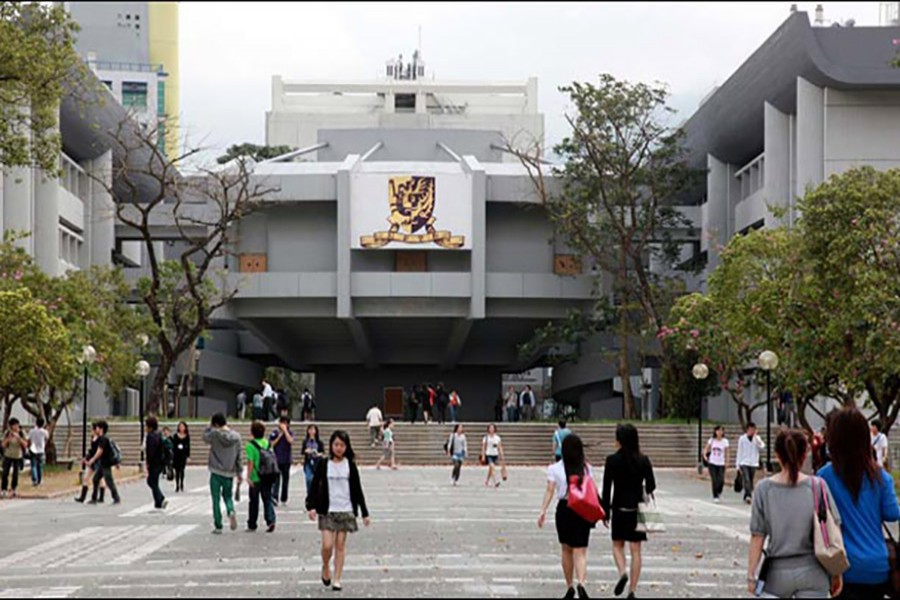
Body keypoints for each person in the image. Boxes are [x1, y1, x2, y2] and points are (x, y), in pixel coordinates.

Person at [748, 429, 843, 598]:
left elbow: (757, 536)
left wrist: (751, 574)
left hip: (776, 574)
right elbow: (833, 529)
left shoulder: (763, 489)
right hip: (814, 571)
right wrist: (836, 571)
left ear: (777, 455)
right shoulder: (818, 486)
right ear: (805, 454)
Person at [818, 408, 900, 599]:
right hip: (877, 566)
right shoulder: (881, 477)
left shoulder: (824, 477)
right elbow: (892, 513)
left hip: (841, 566)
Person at [307, 430, 371, 593]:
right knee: (327, 545)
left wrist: (364, 512)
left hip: (345, 509)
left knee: (340, 545)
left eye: (342, 445)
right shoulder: (324, 464)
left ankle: (337, 578)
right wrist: (310, 506)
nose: (339, 448)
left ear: (347, 447)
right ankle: (325, 566)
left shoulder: (350, 465)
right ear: (331, 445)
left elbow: (357, 489)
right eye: (336, 444)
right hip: (327, 509)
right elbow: (314, 485)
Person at [539, 434, 597, 599]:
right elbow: (592, 489)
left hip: (565, 509)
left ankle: (570, 585)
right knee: (580, 550)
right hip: (582, 509)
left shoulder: (554, 468)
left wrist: (543, 510)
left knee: (566, 549)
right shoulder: (586, 468)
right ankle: (582, 583)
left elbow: (550, 490)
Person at [601, 424, 656, 599]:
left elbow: (606, 488)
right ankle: (632, 590)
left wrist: (605, 511)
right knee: (636, 550)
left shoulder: (612, 460)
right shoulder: (643, 460)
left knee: (617, 545)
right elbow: (651, 485)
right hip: (637, 509)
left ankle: (622, 572)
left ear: (619, 440)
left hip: (619, 508)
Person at [202, 412, 242, 535]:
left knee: (216, 499)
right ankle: (230, 510)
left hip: (215, 470)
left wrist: (209, 427)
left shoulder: (214, 435)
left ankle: (218, 525)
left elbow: (204, 437)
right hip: (229, 472)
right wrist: (239, 471)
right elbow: (239, 456)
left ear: (215, 424)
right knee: (228, 496)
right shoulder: (236, 437)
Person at [246, 420, 277, 533]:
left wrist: (248, 476)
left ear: (252, 432)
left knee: (254, 501)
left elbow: (251, 462)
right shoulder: (267, 443)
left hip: (256, 476)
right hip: (267, 475)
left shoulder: (250, 445)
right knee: (267, 498)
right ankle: (271, 520)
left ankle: (252, 523)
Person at [83, 420, 121, 506]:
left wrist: (92, 460)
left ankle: (116, 498)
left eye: (97, 427)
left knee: (109, 481)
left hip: (106, 463)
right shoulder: (102, 438)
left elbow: (99, 451)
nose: (95, 429)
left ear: (101, 429)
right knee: (95, 479)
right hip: (102, 463)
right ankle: (94, 498)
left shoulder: (103, 439)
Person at [735, 421, 765, 505]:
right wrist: (737, 465)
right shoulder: (742, 438)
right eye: (750, 429)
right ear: (747, 429)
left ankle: (746, 494)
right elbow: (739, 451)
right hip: (744, 462)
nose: (752, 431)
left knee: (750, 479)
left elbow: (762, 447)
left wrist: (756, 438)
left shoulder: (757, 438)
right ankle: (749, 496)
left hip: (753, 462)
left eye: (753, 429)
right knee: (747, 479)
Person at [144, 417, 169, 510]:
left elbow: (150, 451)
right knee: (155, 482)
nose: (145, 428)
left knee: (150, 481)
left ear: (150, 427)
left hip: (154, 462)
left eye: (146, 426)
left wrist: (148, 462)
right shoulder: (159, 435)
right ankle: (157, 502)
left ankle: (161, 498)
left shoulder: (150, 436)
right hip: (160, 462)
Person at [269, 417, 294, 505]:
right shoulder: (275, 433)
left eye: (285, 423)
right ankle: (275, 496)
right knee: (276, 480)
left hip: (286, 459)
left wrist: (285, 431)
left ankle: (284, 498)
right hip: (277, 459)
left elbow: (290, 441)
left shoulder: (290, 432)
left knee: (285, 479)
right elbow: (271, 444)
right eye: (282, 423)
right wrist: (280, 435)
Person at [1, 418, 29, 498]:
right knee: (5, 473)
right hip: (8, 455)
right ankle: (4, 489)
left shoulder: (22, 432)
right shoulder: (7, 433)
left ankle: (14, 489)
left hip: (18, 456)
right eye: (14, 425)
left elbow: (26, 445)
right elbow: (3, 445)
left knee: (15, 474)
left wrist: (19, 438)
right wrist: (9, 438)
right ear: (11, 426)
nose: (16, 427)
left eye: (17, 425)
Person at [703, 425, 729, 503]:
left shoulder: (725, 441)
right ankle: (715, 495)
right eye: (718, 430)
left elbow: (727, 452)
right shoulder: (712, 440)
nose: (719, 432)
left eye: (721, 431)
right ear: (715, 431)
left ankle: (719, 491)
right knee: (714, 479)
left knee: (721, 480)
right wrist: (705, 456)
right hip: (712, 463)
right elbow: (706, 449)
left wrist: (727, 461)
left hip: (721, 463)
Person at [303, 424, 325, 496]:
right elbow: (302, 451)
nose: (312, 431)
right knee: (308, 479)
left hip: (317, 462)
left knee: (317, 480)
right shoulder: (306, 441)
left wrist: (317, 453)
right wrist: (307, 451)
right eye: (310, 429)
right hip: (308, 462)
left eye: (313, 429)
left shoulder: (319, 442)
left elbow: (322, 452)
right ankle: (309, 494)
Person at [481, 424, 505, 488]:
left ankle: (487, 480)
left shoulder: (497, 438)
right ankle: (495, 481)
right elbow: (483, 447)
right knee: (492, 467)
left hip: (495, 454)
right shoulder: (486, 438)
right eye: (490, 428)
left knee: (490, 469)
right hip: (488, 454)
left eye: (492, 428)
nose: (491, 429)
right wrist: (483, 455)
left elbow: (499, 447)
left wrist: (501, 454)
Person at [27, 418, 49, 487]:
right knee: (40, 465)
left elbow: (28, 439)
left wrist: (28, 446)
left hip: (33, 449)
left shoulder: (32, 431)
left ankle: (35, 480)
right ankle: (40, 479)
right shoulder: (44, 431)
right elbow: (47, 438)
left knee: (33, 465)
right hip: (41, 450)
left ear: (36, 423)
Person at [172, 421, 190, 493]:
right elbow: (173, 445)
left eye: (183, 426)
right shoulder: (175, 436)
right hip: (177, 455)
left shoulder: (187, 436)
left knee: (182, 470)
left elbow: (188, 446)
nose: (181, 428)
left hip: (183, 455)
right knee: (177, 470)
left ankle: (182, 484)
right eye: (180, 426)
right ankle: (177, 485)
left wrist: (188, 455)